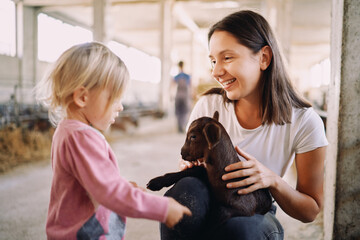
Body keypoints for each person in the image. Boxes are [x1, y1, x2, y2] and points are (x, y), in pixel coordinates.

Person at [160, 10, 328, 240]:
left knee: (239, 231)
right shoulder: (208, 106)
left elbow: (310, 211)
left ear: (264, 58)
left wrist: (273, 181)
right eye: (213, 60)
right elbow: (190, 160)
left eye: (227, 58)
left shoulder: (304, 121)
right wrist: (189, 167)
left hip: (254, 211)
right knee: (181, 197)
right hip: (211, 198)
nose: (216, 71)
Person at [35, 42, 191, 240]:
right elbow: (108, 193)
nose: (120, 107)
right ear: (83, 97)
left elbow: (91, 180)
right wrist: (163, 207)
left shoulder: (66, 131)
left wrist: (122, 185)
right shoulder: (81, 137)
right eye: (115, 99)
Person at [173, 61, 191, 133]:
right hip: (185, 96)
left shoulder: (176, 77)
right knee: (184, 112)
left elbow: (172, 86)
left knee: (178, 112)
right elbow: (190, 86)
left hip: (178, 96)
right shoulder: (187, 76)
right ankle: (183, 126)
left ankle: (179, 126)